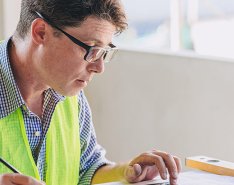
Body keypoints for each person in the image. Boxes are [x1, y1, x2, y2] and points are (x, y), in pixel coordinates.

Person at [0, 0, 181, 184]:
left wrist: (126, 173)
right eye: (91, 48)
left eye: (103, 51)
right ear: (41, 32)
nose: (99, 67)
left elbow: (86, 169)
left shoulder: (68, 92)